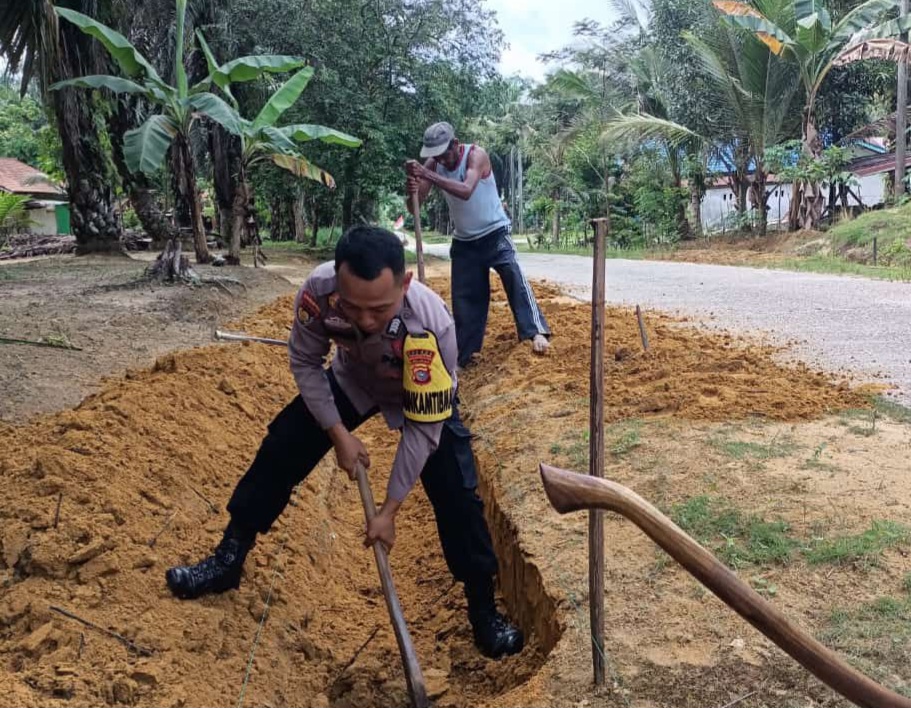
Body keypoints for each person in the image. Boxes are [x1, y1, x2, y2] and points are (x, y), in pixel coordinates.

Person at [165, 225, 523, 659]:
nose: (367, 321)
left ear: (405, 284)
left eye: (379, 309)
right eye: (354, 309)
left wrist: (389, 511)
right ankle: (228, 559)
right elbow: (305, 360)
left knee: (457, 495)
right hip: (353, 381)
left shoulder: (433, 325)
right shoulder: (318, 294)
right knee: (283, 446)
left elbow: (423, 429)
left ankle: (483, 612)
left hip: (419, 395)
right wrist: (338, 434)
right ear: (337, 280)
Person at [405, 122, 551, 369]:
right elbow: (414, 206)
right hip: (464, 241)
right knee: (465, 301)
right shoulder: (435, 164)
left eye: (444, 152)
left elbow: (465, 190)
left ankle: (535, 331)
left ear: (455, 143)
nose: (441, 159)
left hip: (495, 233)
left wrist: (426, 173)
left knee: (513, 277)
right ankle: (466, 356)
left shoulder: (475, 155)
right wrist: (411, 190)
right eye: (435, 155)